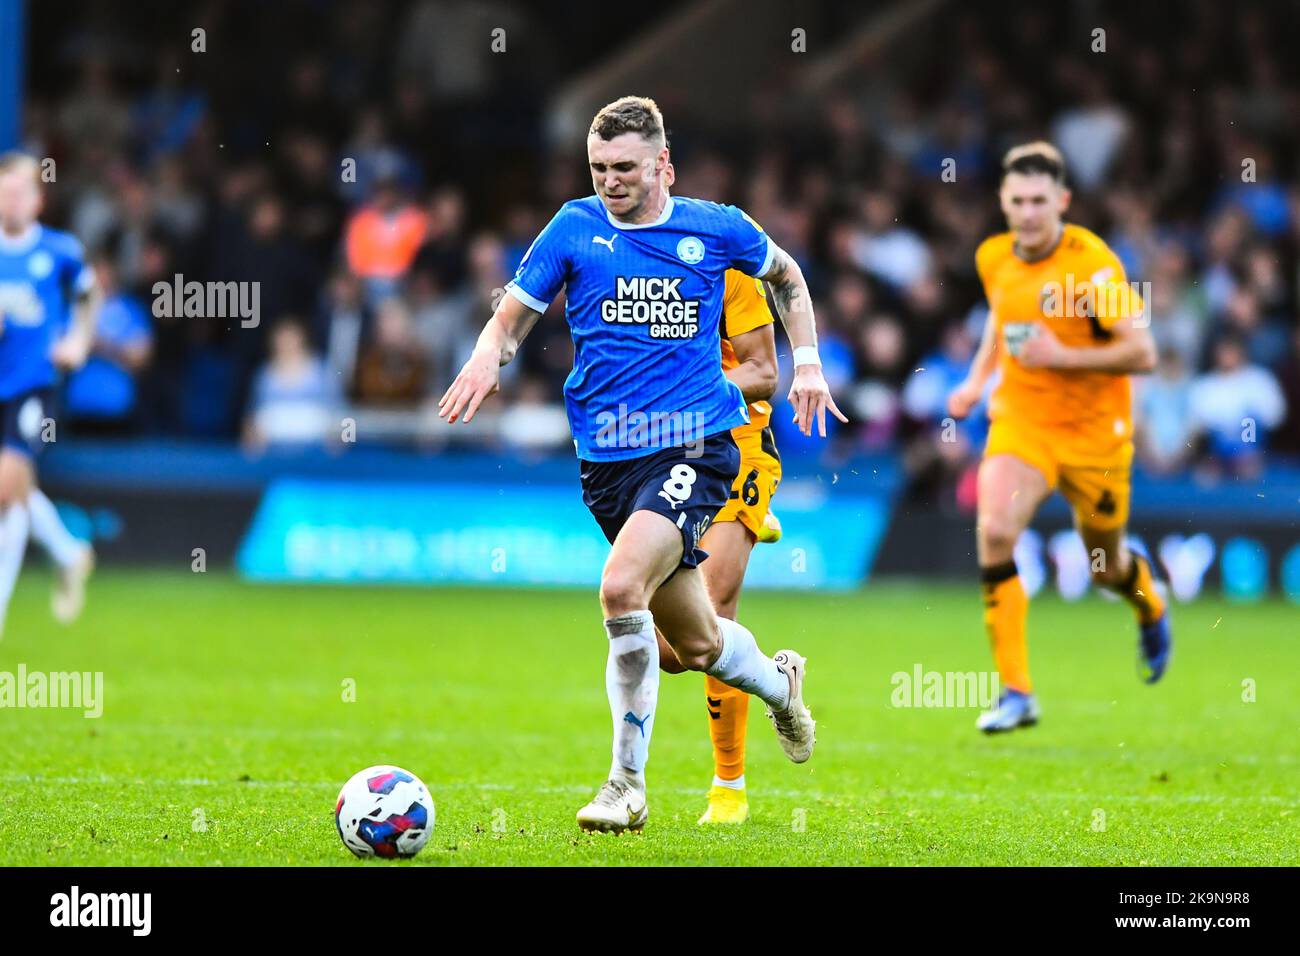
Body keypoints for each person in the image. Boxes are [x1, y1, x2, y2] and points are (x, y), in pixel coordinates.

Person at [440, 96, 845, 832]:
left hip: (696, 446)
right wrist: (484, 358)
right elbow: (515, 312)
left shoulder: (714, 228)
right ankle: (783, 685)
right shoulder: (573, 227)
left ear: (662, 163)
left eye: (624, 167)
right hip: (605, 463)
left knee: (621, 585)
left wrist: (809, 363)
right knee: (695, 644)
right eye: (598, 167)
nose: (609, 181)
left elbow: (788, 277)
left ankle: (626, 786)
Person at [947, 142, 1171, 734]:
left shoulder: (1092, 265)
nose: (1026, 212)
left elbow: (1143, 352)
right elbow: (1001, 314)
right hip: (1023, 421)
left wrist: (1061, 355)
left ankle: (1148, 597)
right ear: (1002, 200)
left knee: (1104, 566)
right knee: (995, 531)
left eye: (1038, 201)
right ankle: (1017, 691)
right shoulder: (994, 256)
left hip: (1096, 437)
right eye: (1016, 200)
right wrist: (975, 381)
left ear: (1062, 201)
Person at [0, 152, 99, 636]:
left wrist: (79, 340)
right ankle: (68, 551)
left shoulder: (59, 251)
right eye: (4, 189)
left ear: (39, 200)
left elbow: (88, 295)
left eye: (20, 190)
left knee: (4, 490)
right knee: (16, 493)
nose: (11, 198)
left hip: (32, 384)